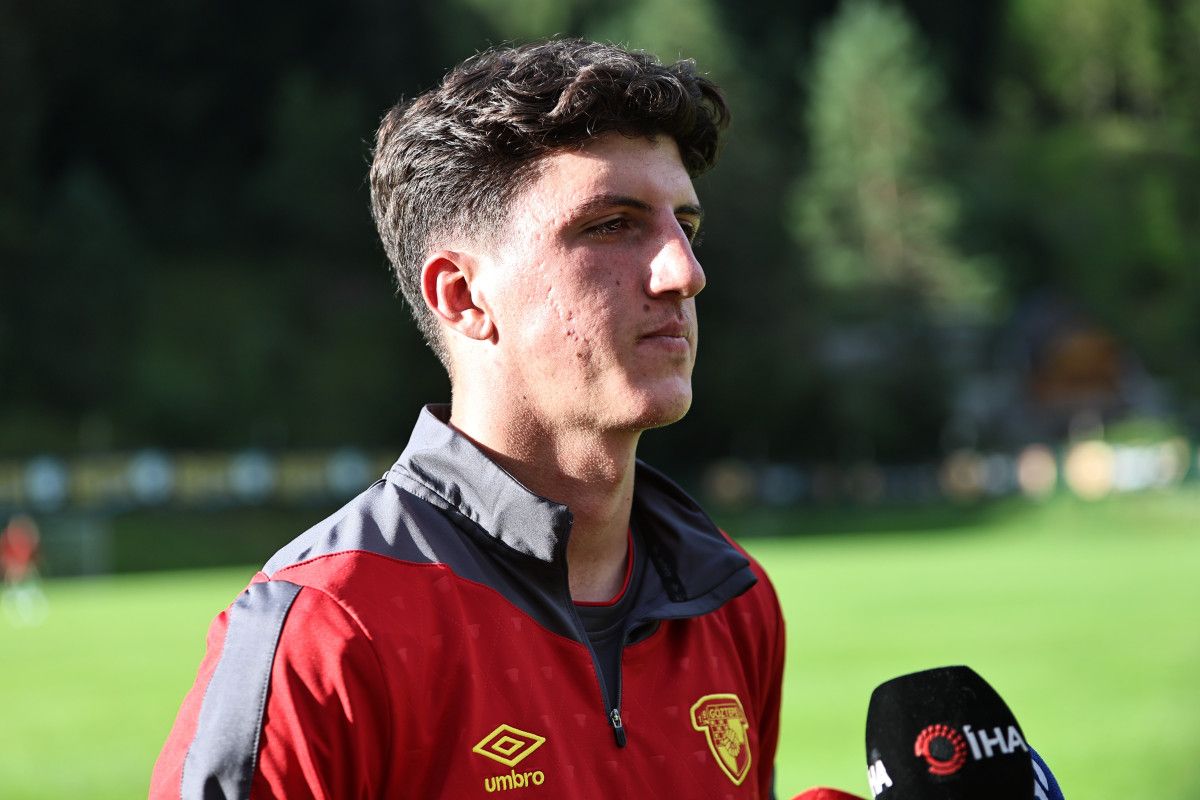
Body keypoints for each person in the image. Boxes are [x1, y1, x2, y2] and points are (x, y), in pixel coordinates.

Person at [151, 38, 785, 799]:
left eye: (685, 224)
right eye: (611, 225)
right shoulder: (328, 631)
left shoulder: (732, 598)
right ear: (462, 296)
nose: (685, 270)